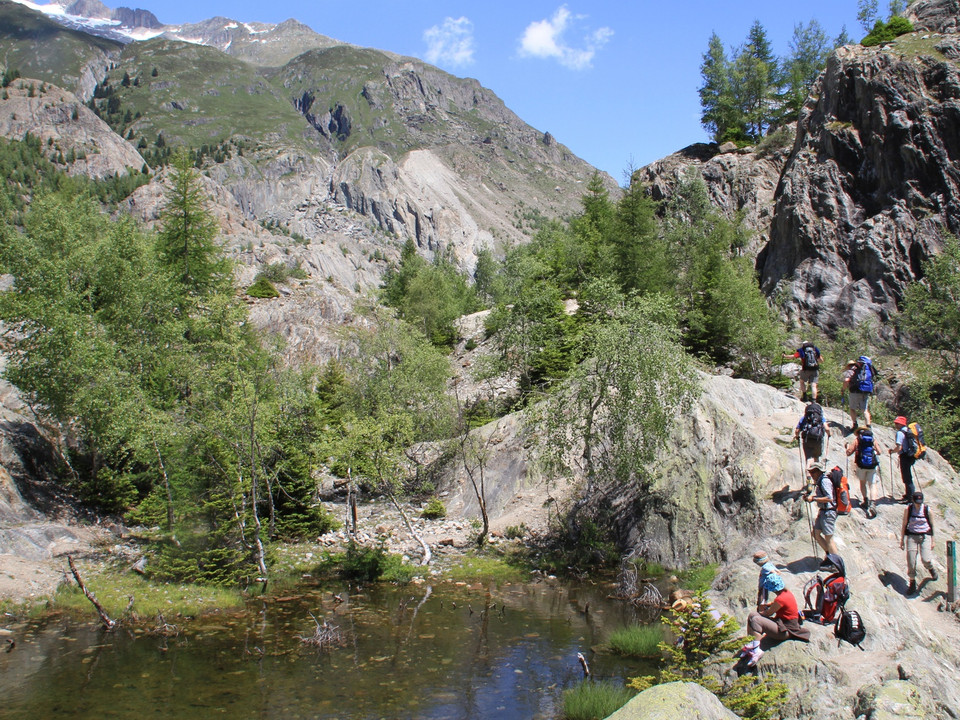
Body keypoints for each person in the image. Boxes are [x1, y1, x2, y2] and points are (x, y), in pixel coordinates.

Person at [740, 573, 810, 666]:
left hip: (786, 631)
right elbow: (777, 604)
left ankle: (756, 650)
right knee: (752, 615)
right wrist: (768, 605)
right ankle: (752, 642)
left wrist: (762, 612)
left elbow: (768, 613)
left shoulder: (781, 599)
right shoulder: (786, 593)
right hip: (781, 624)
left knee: (756, 620)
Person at [900, 490, 938, 595]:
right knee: (911, 560)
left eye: (919, 502)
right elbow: (904, 525)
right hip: (912, 536)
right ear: (913, 500)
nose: (918, 504)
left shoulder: (927, 510)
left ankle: (930, 568)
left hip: (925, 536)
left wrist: (933, 540)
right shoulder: (908, 509)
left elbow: (932, 525)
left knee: (926, 559)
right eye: (916, 502)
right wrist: (902, 540)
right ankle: (912, 582)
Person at [846, 426, 884, 519]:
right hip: (872, 465)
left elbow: (849, 452)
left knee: (862, 483)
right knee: (872, 484)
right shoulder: (872, 439)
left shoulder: (857, 440)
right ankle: (873, 503)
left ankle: (865, 500)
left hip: (861, 466)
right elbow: (879, 452)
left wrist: (847, 447)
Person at [806, 461, 839, 565]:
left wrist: (814, 498)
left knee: (829, 538)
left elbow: (830, 498)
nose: (811, 474)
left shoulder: (824, 481)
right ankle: (830, 556)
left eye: (813, 471)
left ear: (818, 472)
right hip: (823, 511)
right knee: (815, 534)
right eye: (810, 471)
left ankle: (835, 564)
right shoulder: (820, 480)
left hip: (829, 512)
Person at [889, 416, 917, 503]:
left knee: (906, 477)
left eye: (897, 423)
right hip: (910, 455)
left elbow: (899, 447)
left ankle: (910, 498)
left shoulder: (900, 433)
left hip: (905, 456)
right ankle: (908, 495)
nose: (895, 424)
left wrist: (892, 451)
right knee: (908, 476)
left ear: (901, 423)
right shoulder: (909, 431)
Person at [846, 356, 876, 430]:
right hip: (866, 390)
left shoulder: (854, 369)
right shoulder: (868, 368)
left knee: (852, 408)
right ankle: (868, 426)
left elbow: (846, 380)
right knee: (865, 410)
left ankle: (855, 424)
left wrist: (843, 389)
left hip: (855, 390)